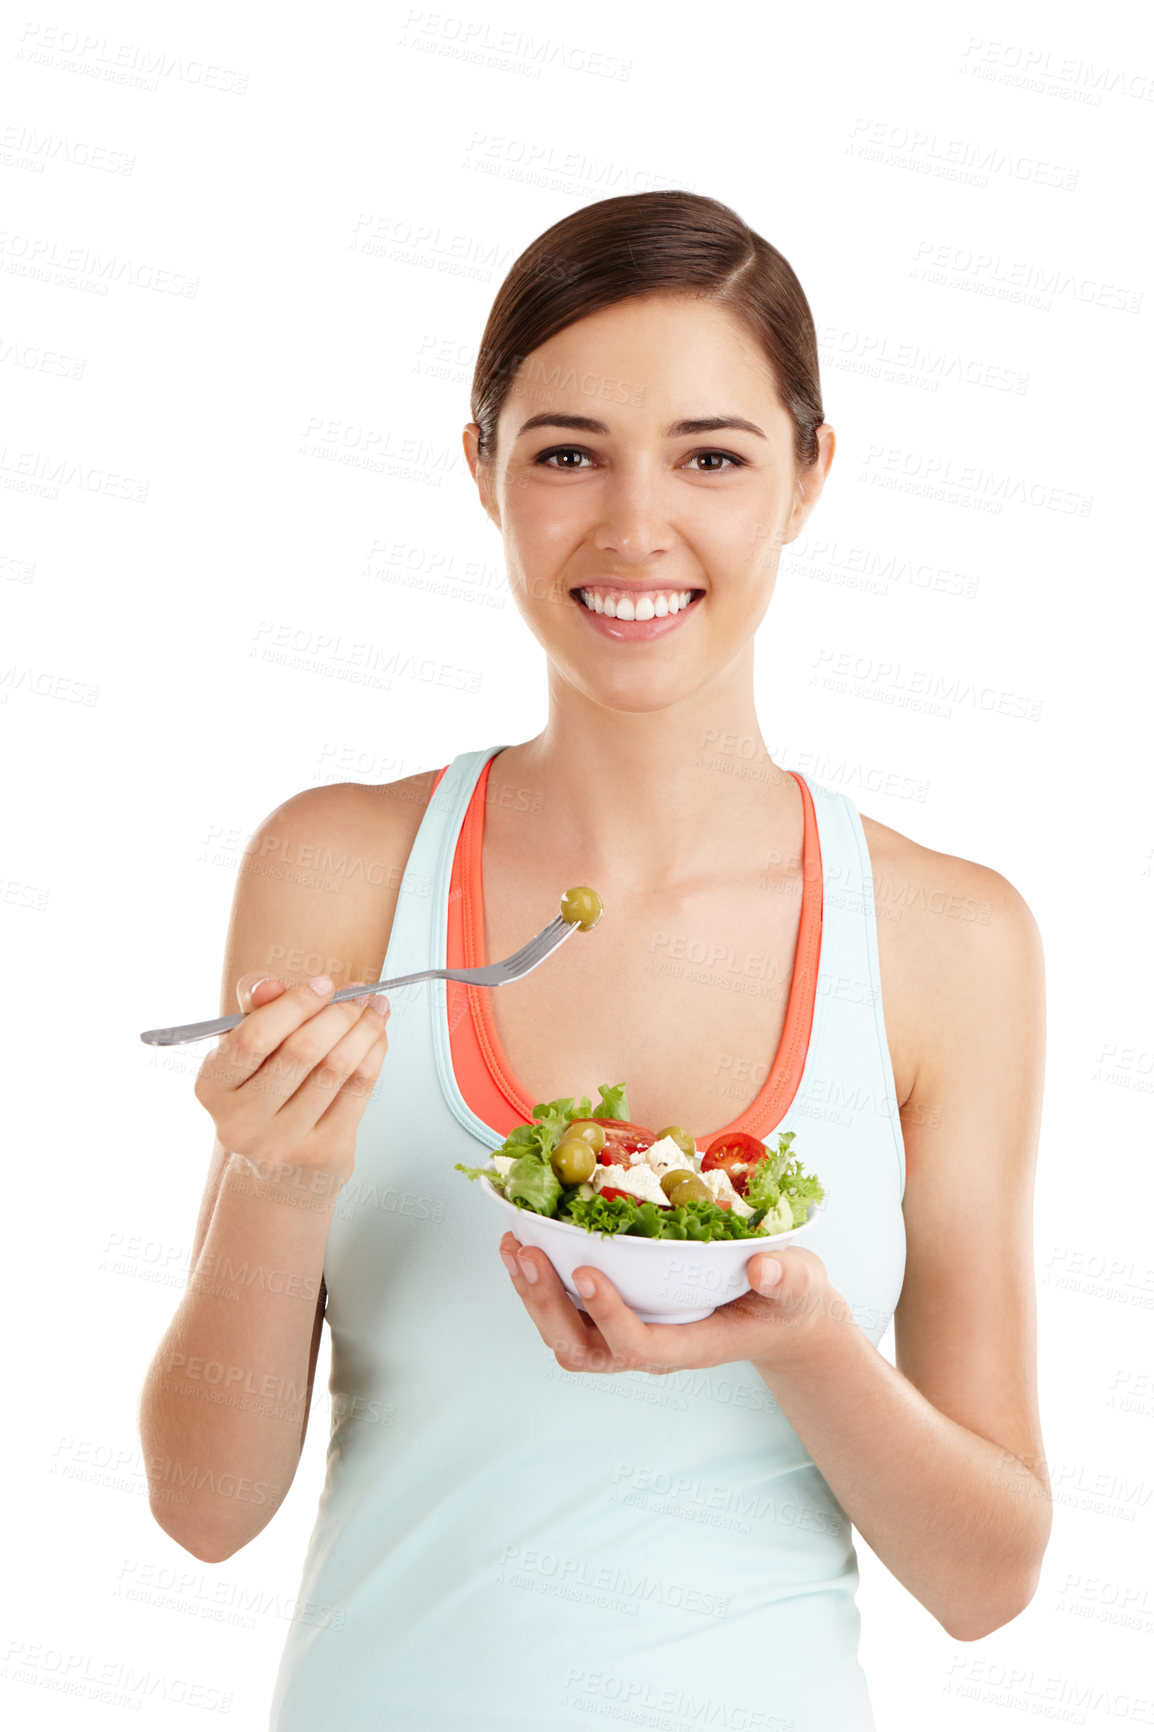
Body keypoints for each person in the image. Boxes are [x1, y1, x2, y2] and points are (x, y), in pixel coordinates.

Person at [139, 190, 1051, 1731]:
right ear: (481, 468)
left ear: (808, 478)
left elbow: (987, 1580)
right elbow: (204, 1508)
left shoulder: (949, 936)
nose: (635, 529)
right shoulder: (339, 868)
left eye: (711, 457)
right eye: (565, 453)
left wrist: (807, 1347)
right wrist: (275, 1184)